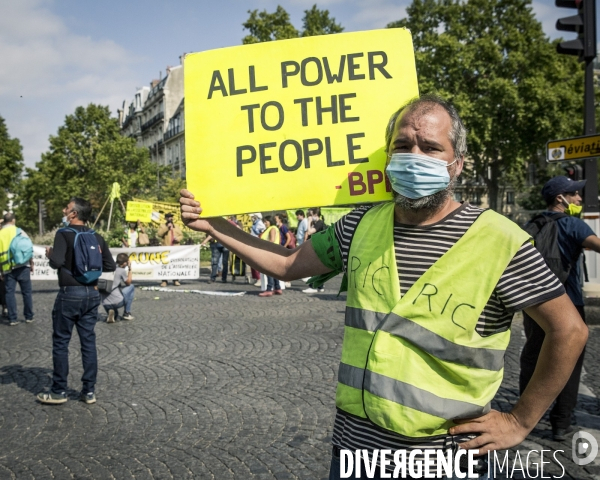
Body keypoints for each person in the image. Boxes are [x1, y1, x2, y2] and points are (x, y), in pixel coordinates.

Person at [180, 94, 588, 479]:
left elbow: (569, 330)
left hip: (444, 456)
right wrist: (214, 226)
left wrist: (519, 420)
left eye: (430, 148)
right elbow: (288, 264)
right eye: (402, 145)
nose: (414, 157)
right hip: (356, 447)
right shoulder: (361, 223)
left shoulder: (500, 238)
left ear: (458, 163)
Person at [520, 175, 600, 441]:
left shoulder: (531, 224)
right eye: (575, 194)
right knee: (570, 361)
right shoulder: (573, 225)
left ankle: (526, 418)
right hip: (568, 302)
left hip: (533, 303)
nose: (579, 199)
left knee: (532, 356)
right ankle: (561, 423)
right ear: (560, 198)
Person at [37, 197, 116, 405]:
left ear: (74, 214)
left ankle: (58, 391)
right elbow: (110, 265)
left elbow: (56, 263)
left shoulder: (63, 234)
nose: (64, 211)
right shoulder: (96, 236)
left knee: (61, 342)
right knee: (88, 342)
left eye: (67, 208)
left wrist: (50, 254)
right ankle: (89, 391)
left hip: (69, 293)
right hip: (92, 293)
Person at [0, 213, 34, 326]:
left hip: (7, 267)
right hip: (22, 265)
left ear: (4, 221)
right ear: (13, 220)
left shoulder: (0, 234)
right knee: (27, 292)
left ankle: (12, 318)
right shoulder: (19, 231)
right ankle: (29, 316)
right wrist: (31, 262)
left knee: (9, 293)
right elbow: (28, 247)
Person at [101, 252, 135, 323]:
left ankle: (112, 313)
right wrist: (130, 269)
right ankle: (127, 313)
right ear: (125, 263)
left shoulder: (106, 268)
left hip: (105, 303)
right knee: (131, 287)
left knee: (115, 315)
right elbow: (128, 282)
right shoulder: (121, 270)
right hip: (118, 302)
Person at [302, 208, 326, 294]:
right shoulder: (318, 223)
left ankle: (313, 286)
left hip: (318, 248)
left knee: (314, 268)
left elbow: (310, 232)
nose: (310, 217)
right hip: (319, 248)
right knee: (318, 268)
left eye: (311, 215)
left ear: (316, 215)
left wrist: (309, 222)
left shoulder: (319, 223)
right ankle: (320, 286)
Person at [258, 216, 282, 297]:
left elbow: (271, 240)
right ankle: (277, 287)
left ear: (270, 221)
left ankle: (269, 289)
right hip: (274, 252)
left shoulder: (272, 228)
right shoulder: (273, 228)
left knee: (269, 271)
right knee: (274, 271)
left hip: (270, 252)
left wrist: (263, 246)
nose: (265, 223)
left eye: (266, 221)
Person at [157, 213, 183, 287]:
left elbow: (181, 235)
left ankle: (175, 280)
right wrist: (167, 228)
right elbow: (159, 234)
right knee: (165, 265)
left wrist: (178, 239)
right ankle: (164, 281)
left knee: (175, 265)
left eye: (171, 217)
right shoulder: (162, 226)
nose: (170, 218)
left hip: (175, 248)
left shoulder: (177, 226)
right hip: (166, 248)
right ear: (165, 218)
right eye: (168, 217)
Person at [248, 213, 265, 286]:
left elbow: (262, 232)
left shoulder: (260, 223)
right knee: (252, 262)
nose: (252, 218)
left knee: (256, 262)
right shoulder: (254, 223)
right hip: (253, 244)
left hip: (257, 245)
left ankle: (259, 279)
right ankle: (255, 277)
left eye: (253, 217)